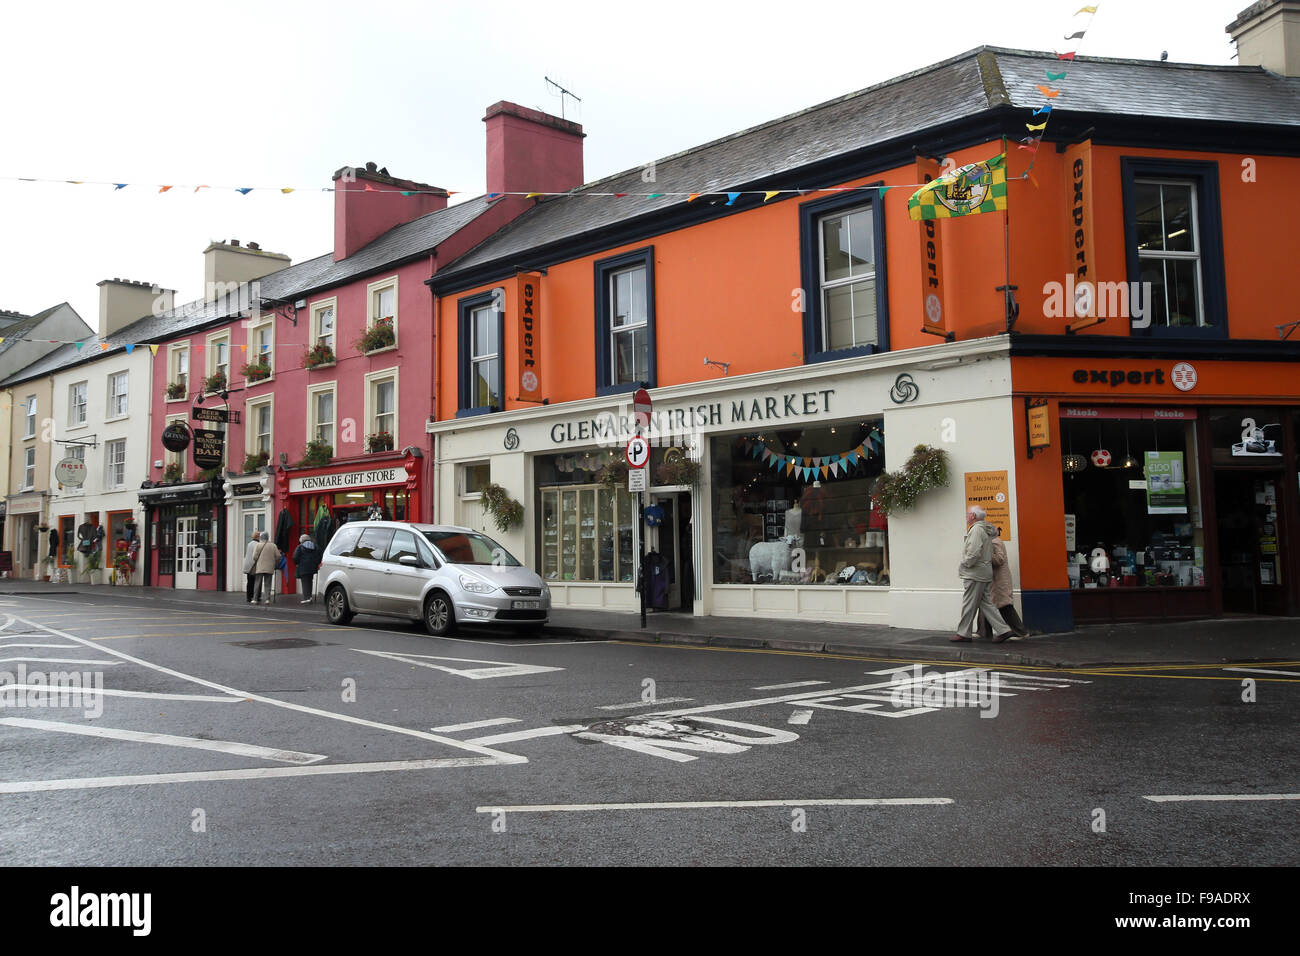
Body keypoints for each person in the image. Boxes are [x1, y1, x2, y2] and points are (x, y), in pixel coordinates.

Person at [953, 505, 1012, 643]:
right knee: (986, 603)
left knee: (968, 603)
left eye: (968, 514)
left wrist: (965, 564)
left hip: (975, 572)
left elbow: (973, 552)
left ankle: (963, 633)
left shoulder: (976, 530)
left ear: (973, 516)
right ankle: (1004, 630)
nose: (966, 516)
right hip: (984, 572)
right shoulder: (985, 528)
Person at [980, 526, 1029, 640]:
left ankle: (1020, 631)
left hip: (998, 581)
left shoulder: (994, 542)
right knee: (986, 603)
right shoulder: (992, 541)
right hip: (994, 580)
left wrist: (985, 554)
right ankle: (983, 631)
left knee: (1004, 605)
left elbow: (999, 560)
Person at [252, 535, 281, 606]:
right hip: (269, 567)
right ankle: (267, 599)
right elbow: (278, 556)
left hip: (260, 567)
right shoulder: (273, 546)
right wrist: (274, 563)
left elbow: (254, 557)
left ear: (261, 538)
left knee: (257, 583)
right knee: (268, 584)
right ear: (268, 538)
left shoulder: (258, 545)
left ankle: (255, 599)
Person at [292, 534, 321, 604]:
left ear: (302, 540)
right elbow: (320, 555)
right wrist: (316, 563)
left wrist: (297, 562)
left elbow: (295, 557)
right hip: (312, 567)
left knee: (304, 582)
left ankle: (306, 598)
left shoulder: (300, 547)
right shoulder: (315, 546)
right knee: (310, 582)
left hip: (303, 567)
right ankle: (310, 597)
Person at [243, 531, 261, 604]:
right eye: (259, 536)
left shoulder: (249, 544)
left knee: (249, 582)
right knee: (257, 582)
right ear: (257, 537)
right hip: (255, 565)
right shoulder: (258, 544)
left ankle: (248, 597)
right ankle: (257, 596)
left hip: (248, 565)